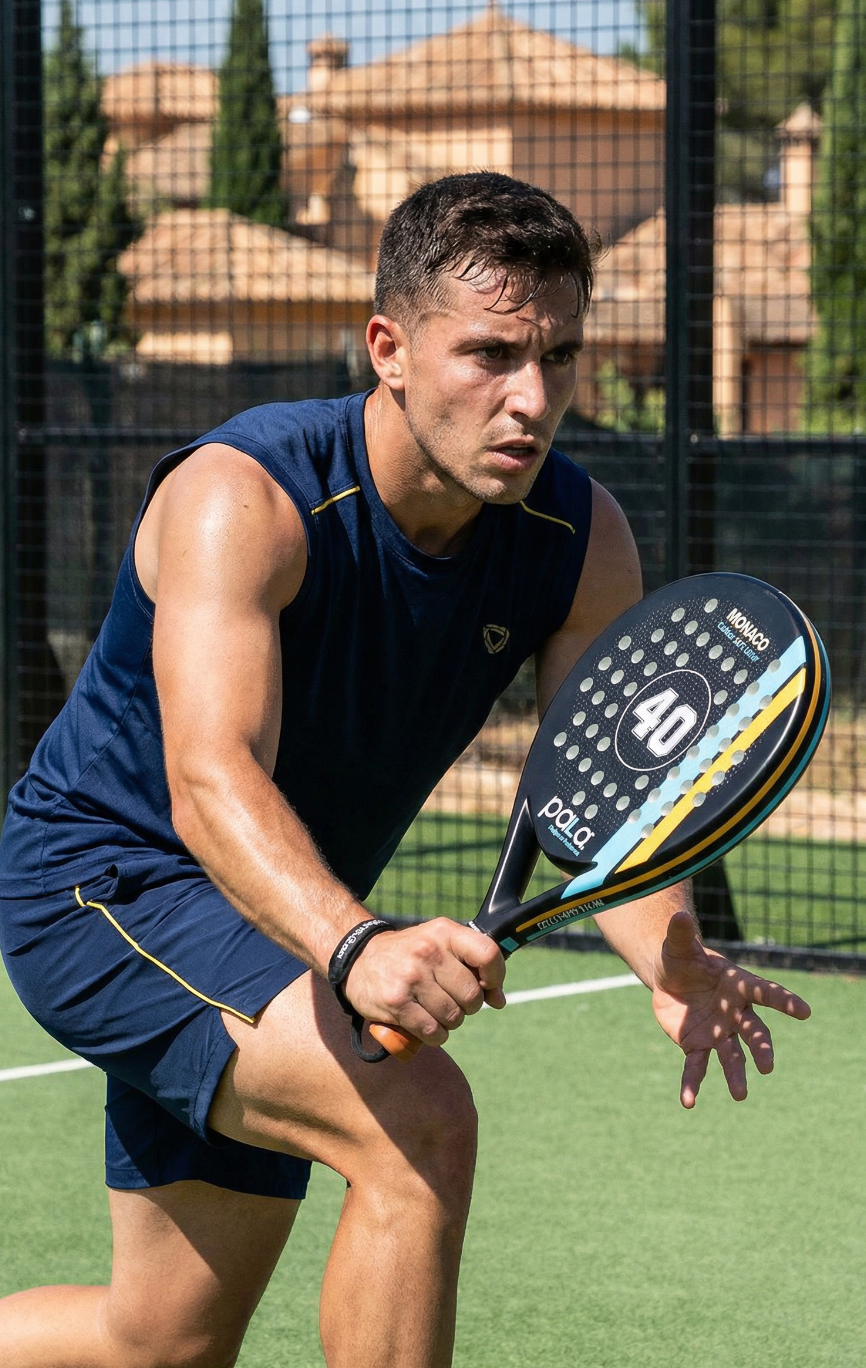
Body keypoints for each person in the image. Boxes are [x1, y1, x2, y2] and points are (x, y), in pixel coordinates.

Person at [0, 172, 809, 1368]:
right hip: (103, 888)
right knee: (417, 1127)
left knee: (156, 1342)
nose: (530, 401)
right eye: (488, 355)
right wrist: (355, 943)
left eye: (559, 359)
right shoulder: (244, 498)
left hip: (277, 925)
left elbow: (608, 804)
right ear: (386, 346)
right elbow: (210, 781)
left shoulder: (578, 540)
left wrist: (665, 948)